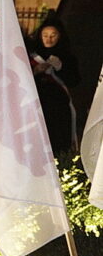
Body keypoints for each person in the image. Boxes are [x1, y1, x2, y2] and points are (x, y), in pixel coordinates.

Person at [30, 19, 80, 156]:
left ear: (60, 36)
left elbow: (74, 81)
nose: (49, 39)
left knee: (58, 144)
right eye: (45, 35)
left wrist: (60, 67)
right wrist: (34, 72)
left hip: (59, 109)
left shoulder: (67, 57)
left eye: (53, 35)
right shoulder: (31, 56)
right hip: (37, 106)